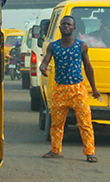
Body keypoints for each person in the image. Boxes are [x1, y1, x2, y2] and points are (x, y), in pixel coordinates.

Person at [39, 15, 101, 163]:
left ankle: (89, 152)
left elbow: (88, 67)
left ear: (74, 28)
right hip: (60, 89)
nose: (66, 26)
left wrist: (94, 88)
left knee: (85, 122)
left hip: (77, 90)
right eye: (64, 24)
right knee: (56, 123)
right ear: (59, 27)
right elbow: (45, 61)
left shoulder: (81, 45)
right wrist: (42, 67)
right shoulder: (53, 46)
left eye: (69, 24)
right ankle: (55, 150)